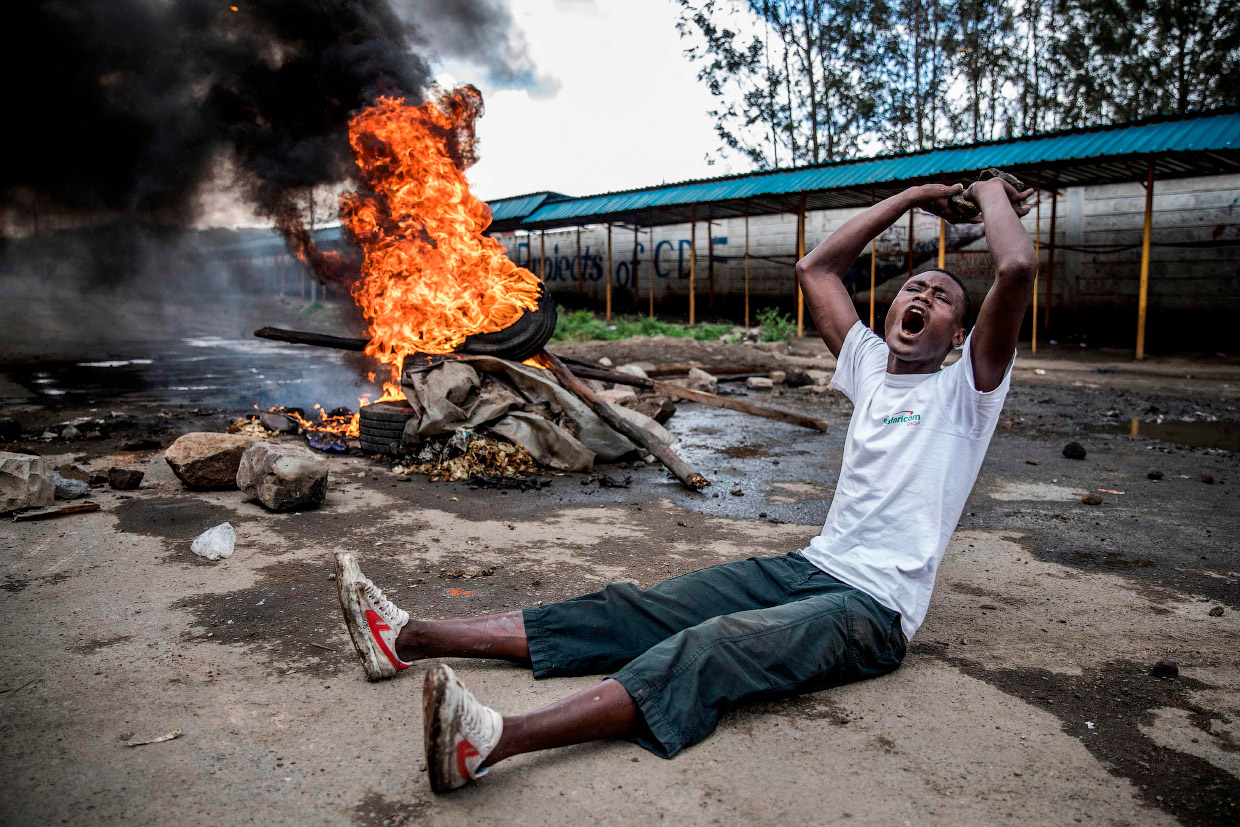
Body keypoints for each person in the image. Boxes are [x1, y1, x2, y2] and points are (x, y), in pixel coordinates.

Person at [334, 177, 1036, 793]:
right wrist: (914, 197)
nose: (923, 294)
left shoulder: (966, 391)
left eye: (942, 298)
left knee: (712, 645)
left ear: (958, 336)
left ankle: (489, 741)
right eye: (915, 285)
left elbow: (1016, 267)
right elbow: (816, 266)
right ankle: (408, 635)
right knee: (641, 607)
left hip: (873, 610)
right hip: (811, 567)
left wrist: (989, 194)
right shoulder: (872, 369)